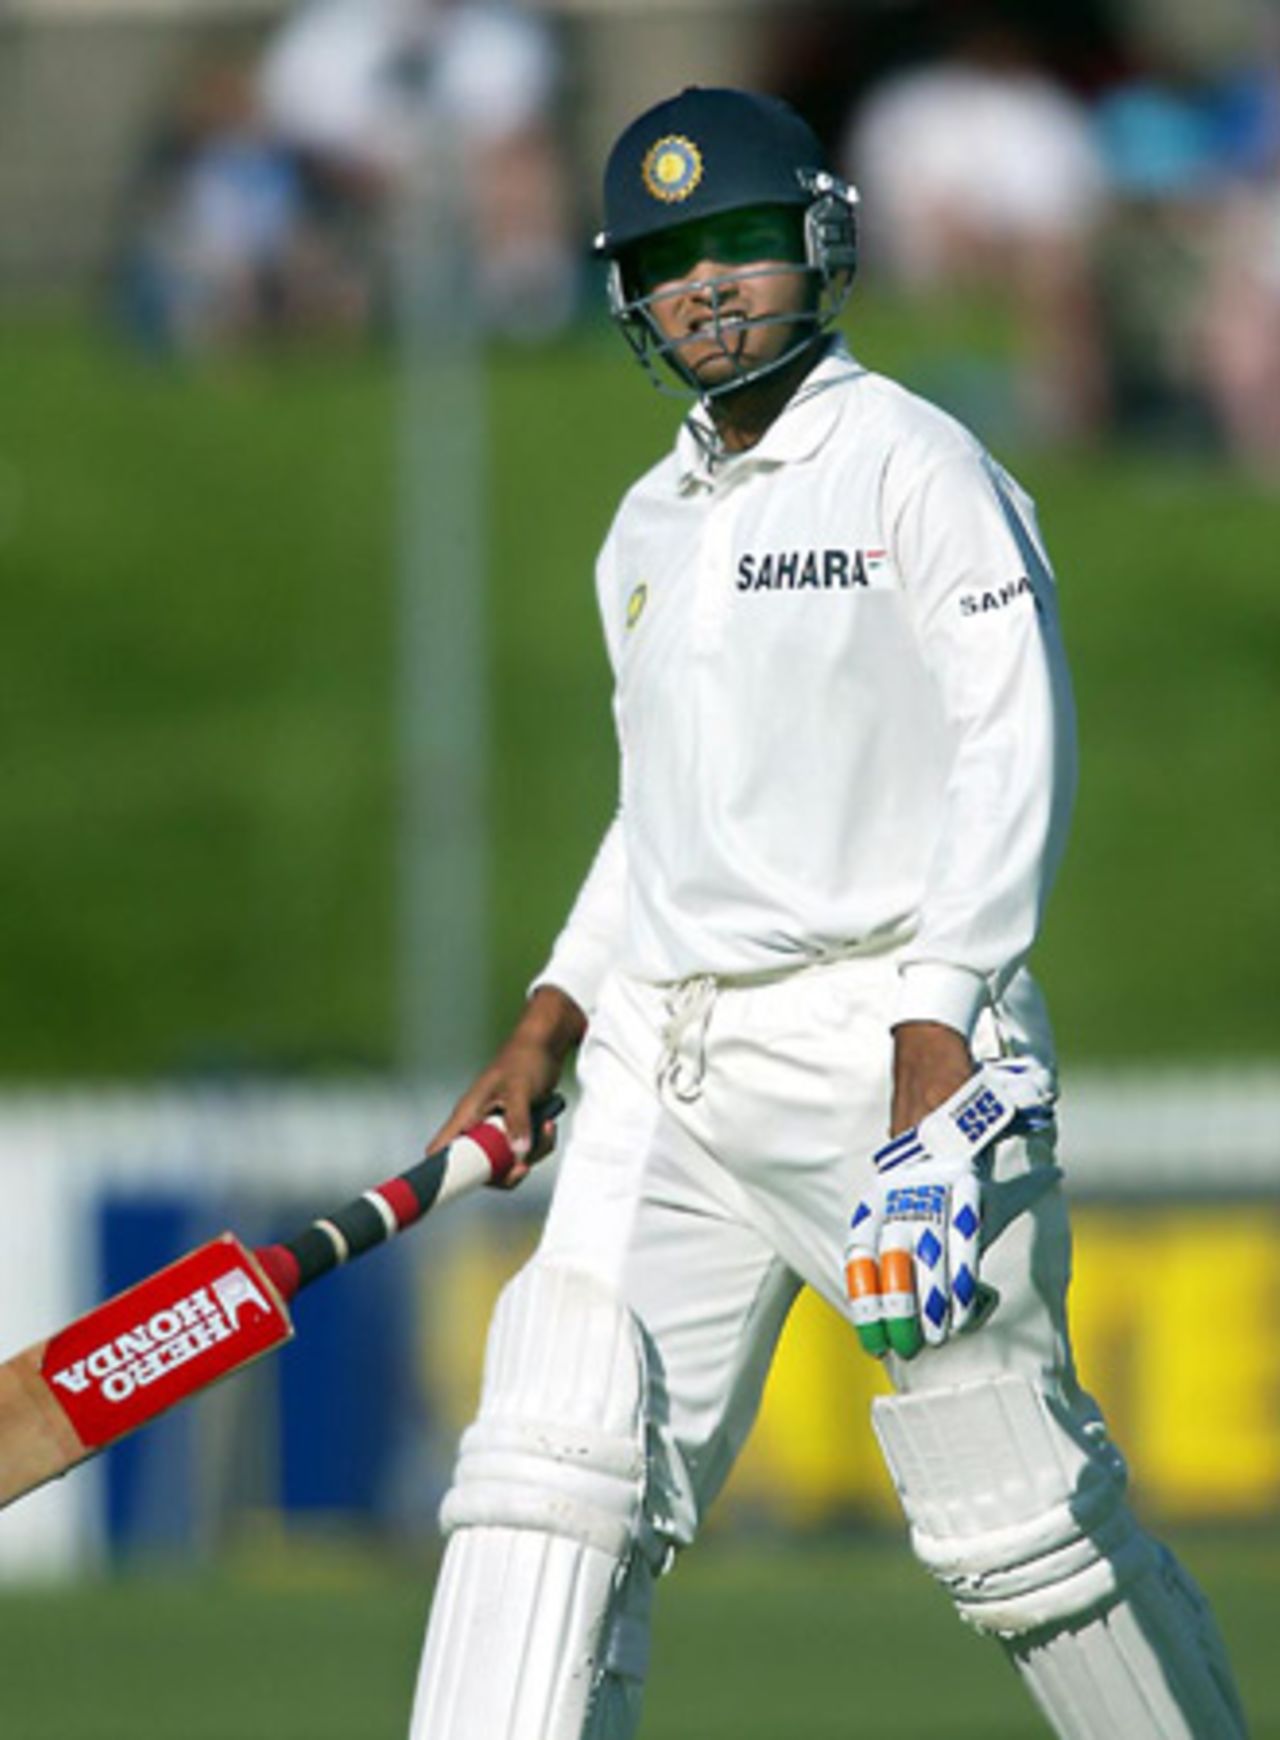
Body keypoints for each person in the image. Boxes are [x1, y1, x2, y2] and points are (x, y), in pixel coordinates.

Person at [407, 86, 1246, 1738]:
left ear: (820, 243)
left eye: (736, 247)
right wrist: (552, 1013)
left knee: (1018, 1529)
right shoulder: (643, 525)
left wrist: (941, 1018)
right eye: (665, 264)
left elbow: (1020, 741)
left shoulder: (918, 467)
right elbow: (664, 813)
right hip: (671, 1050)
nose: (706, 289)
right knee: (544, 1471)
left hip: (893, 1044)